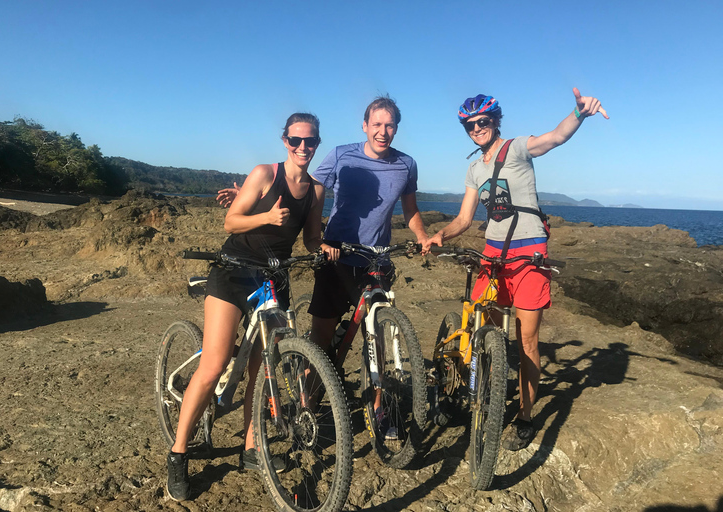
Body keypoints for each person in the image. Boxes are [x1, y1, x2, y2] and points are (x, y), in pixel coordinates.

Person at [423, 88, 608, 450]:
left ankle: (525, 416)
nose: (477, 128)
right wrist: (439, 235)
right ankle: (473, 394)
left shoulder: (518, 149)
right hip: (493, 256)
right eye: (470, 125)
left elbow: (555, 138)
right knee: (478, 329)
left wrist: (579, 113)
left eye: (483, 122)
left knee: (526, 341)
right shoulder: (475, 168)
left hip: (529, 255)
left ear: (496, 121)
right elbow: (463, 218)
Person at [166, 113, 326, 501]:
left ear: (317, 143)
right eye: (295, 140)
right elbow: (231, 221)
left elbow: (310, 237)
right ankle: (178, 453)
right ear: (285, 141)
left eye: (310, 142)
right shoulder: (264, 175)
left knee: (262, 367)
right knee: (215, 363)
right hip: (233, 272)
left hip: (274, 277)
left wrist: (325, 248)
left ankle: (252, 448)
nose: (303, 148)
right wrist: (267, 216)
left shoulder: (318, 190)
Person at [309, 95, 429, 439]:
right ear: (365, 126)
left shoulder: (406, 165)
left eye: (389, 125)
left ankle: (377, 409)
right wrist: (318, 238)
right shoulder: (341, 155)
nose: (383, 131)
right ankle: (309, 401)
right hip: (337, 258)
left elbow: (411, 209)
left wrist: (420, 235)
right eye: (376, 124)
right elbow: (315, 194)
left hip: (376, 260)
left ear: (396, 128)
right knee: (321, 337)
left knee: (373, 337)